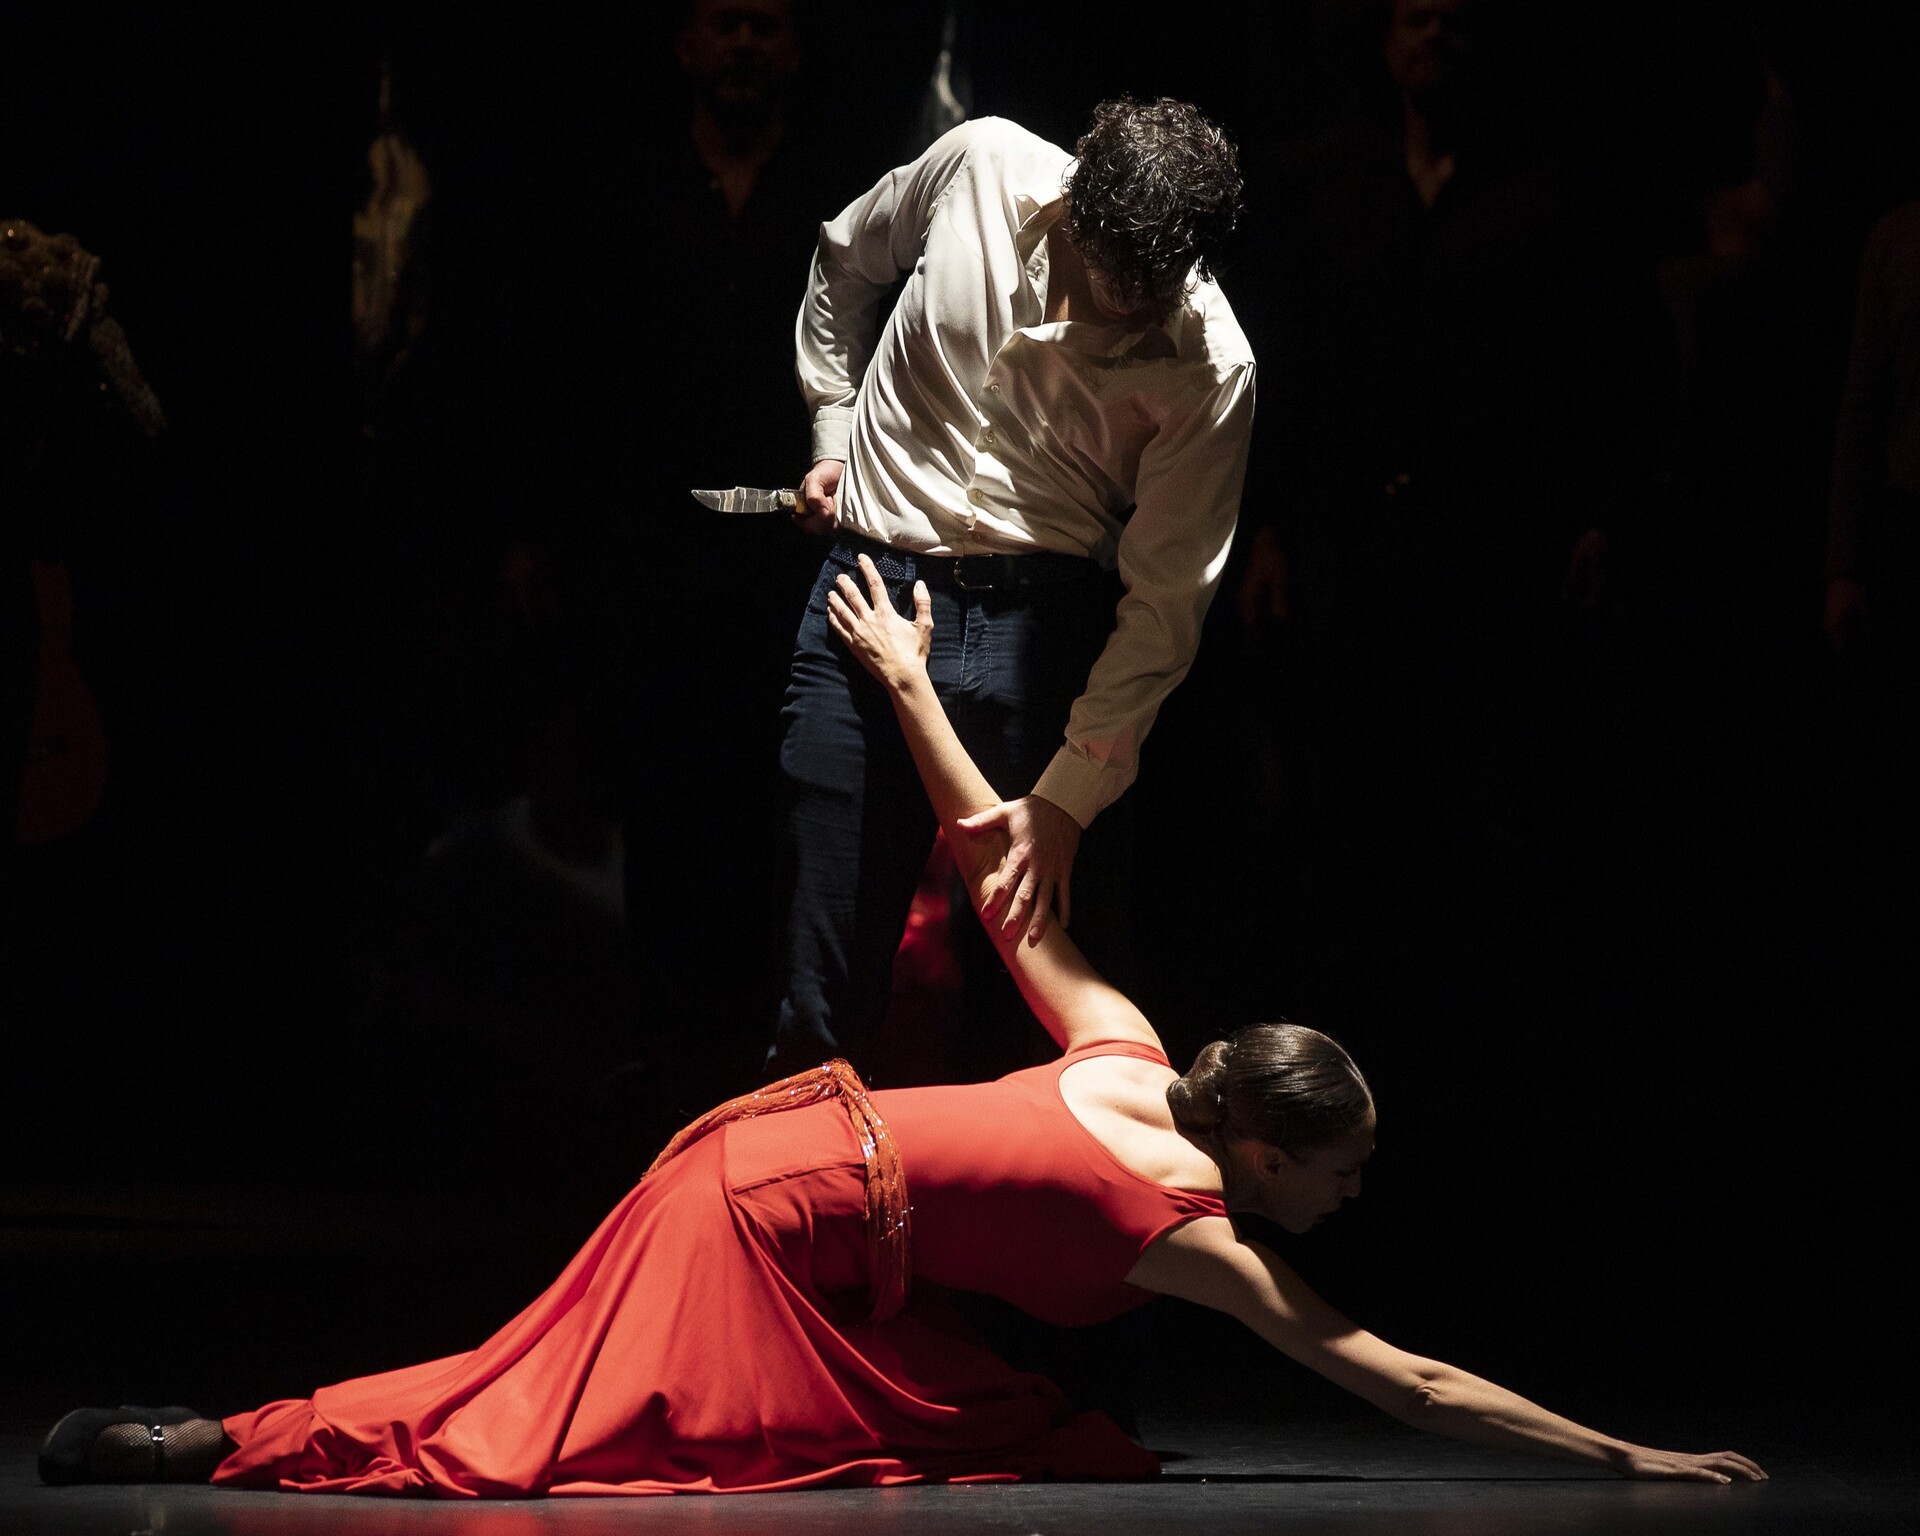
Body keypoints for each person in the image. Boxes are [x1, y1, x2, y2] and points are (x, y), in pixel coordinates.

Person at [40, 555, 1763, 1496]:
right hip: (766, 1207)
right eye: (1343, 1170)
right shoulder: (1194, 1229)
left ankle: (216, 1433)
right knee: (539, 1425)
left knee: (976, 1420)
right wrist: (1627, 1454)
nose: (1351, 1195)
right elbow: (1401, 1373)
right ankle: (212, 1440)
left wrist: (914, 684)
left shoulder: (1127, 1043)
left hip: (783, 1147)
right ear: (1261, 1145)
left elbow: (993, 863)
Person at [767, 98, 1256, 1078]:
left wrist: (1069, 797)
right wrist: (833, 431)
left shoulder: (1212, 360)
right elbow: (843, 265)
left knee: (1043, 1021)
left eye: (1153, 289)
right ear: (1076, 205)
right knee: (824, 995)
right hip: (871, 588)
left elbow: (1165, 605)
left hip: (1044, 629)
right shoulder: (981, 165)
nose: (1125, 308)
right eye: (1111, 276)